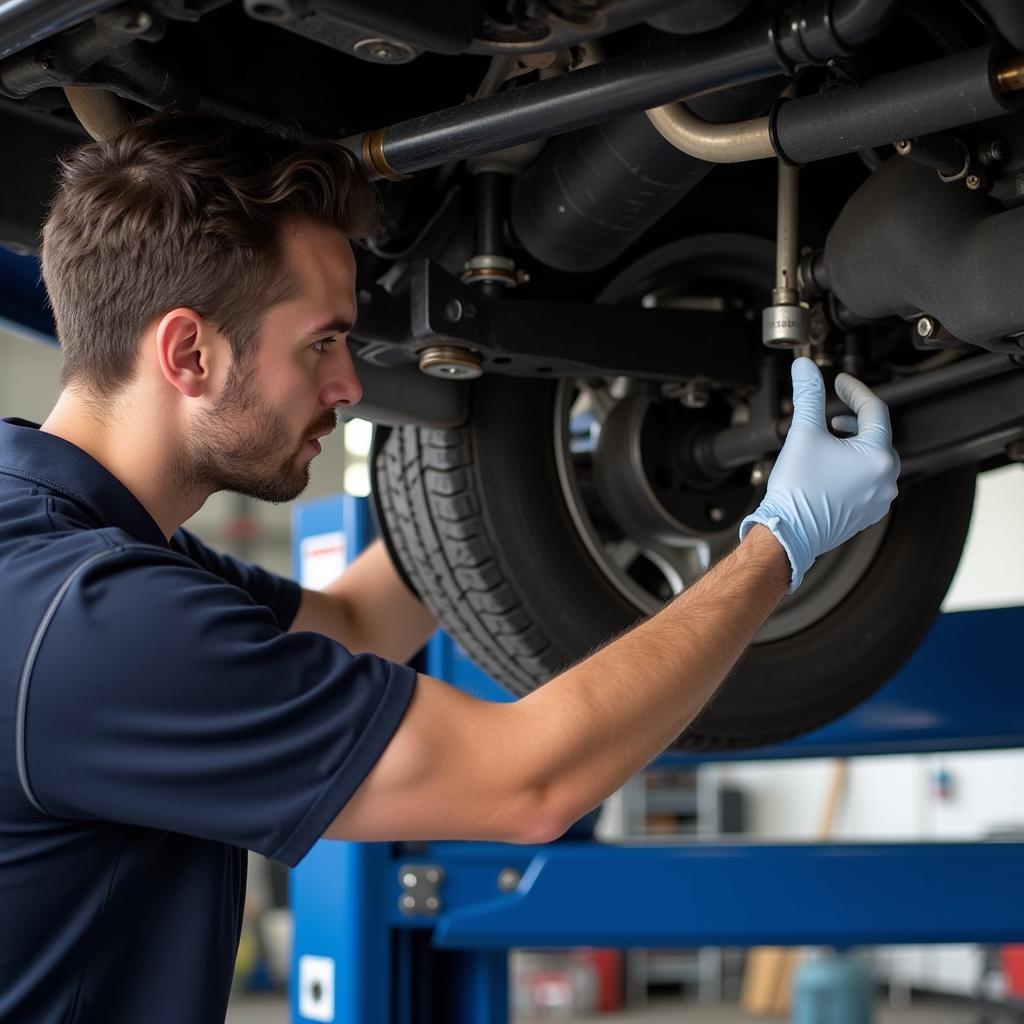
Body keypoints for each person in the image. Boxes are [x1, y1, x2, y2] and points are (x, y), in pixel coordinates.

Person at [0, 111, 900, 1023]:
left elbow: (357, 625)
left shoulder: (58, 551)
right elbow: (529, 784)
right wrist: (780, 542)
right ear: (189, 351)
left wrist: (551, 477)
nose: (349, 384)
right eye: (321, 342)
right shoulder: (92, 620)